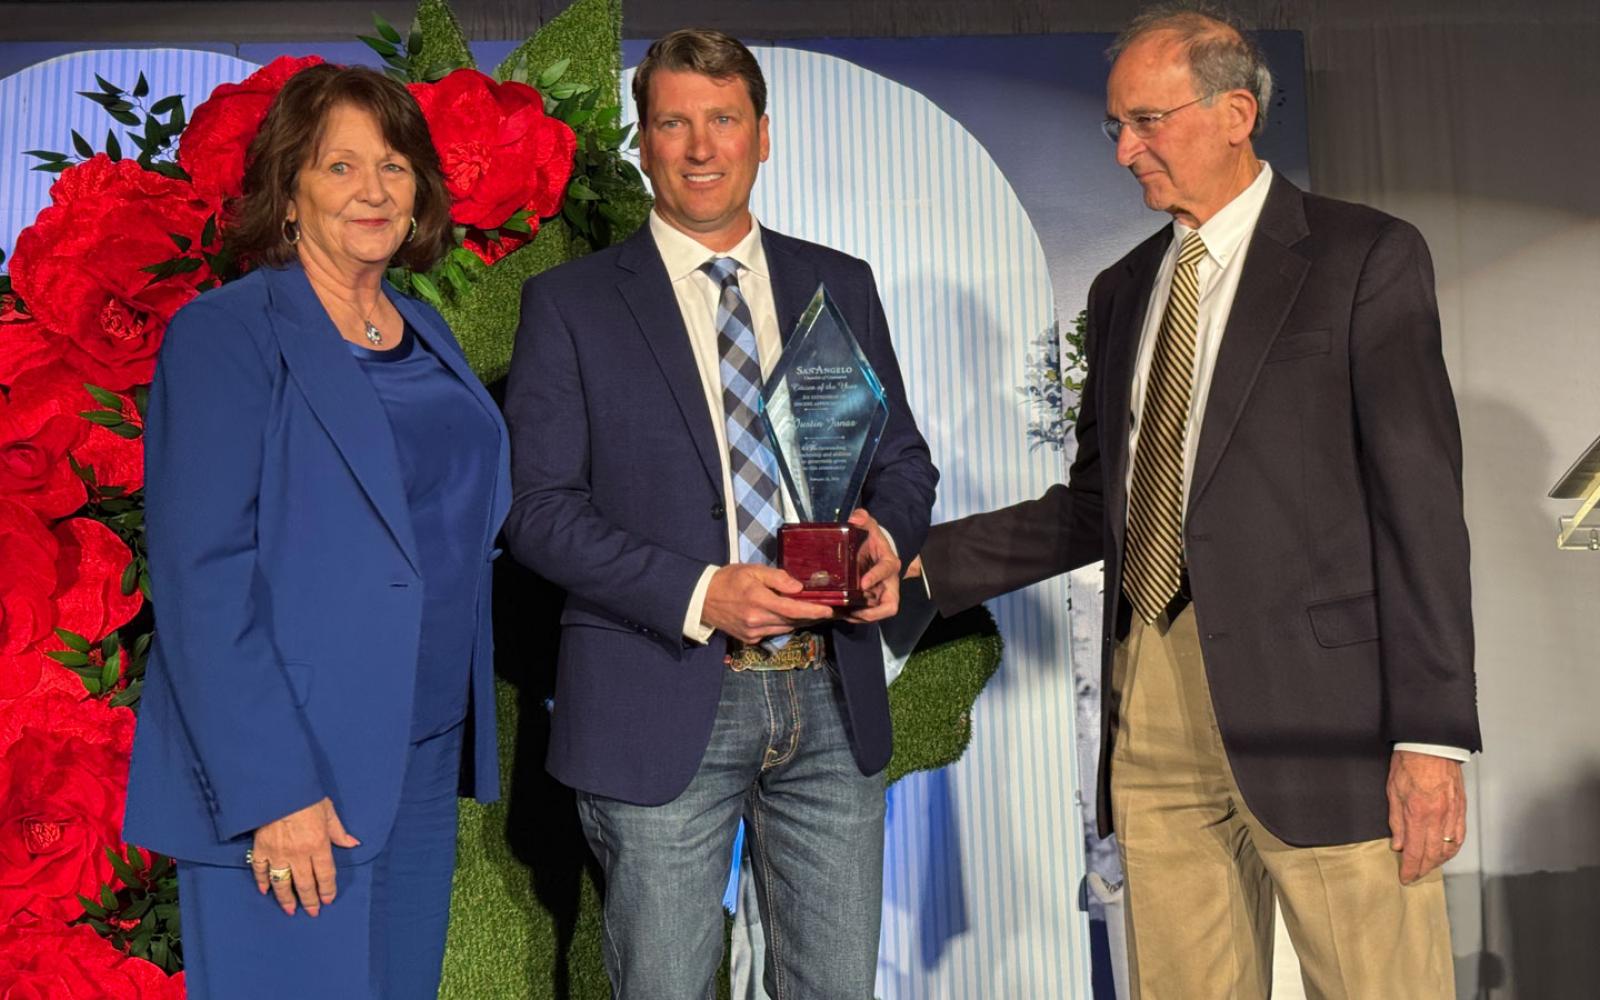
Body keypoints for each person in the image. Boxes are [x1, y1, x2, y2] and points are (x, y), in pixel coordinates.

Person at [909, 6, 1479, 998]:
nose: (1125, 150)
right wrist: (923, 564)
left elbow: (1418, 505)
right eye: (1114, 127)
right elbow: (1097, 506)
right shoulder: (1124, 289)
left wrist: (1429, 736)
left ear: (1234, 112)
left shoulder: (1362, 257)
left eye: (1146, 121)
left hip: (1326, 715)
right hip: (1152, 698)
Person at [502, 28, 937, 999]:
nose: (701, 147)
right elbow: (536, 511)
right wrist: (703, 590)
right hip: (660, 696)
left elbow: (901, 462)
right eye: (673, 123)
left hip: (830, 696)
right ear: (644, 142)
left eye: (723, 120)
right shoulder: (569, 305)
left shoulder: (840, 282)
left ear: (763, 135)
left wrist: (883, 538)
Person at [122, 64, 511, 999]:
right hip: (295, 771)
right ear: (289, 188)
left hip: (418, 754)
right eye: (340, 166)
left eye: (393, 165)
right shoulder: (226, 334)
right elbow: (200, 575)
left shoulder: (424, 329)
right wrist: (273, 792)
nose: (372, 191)